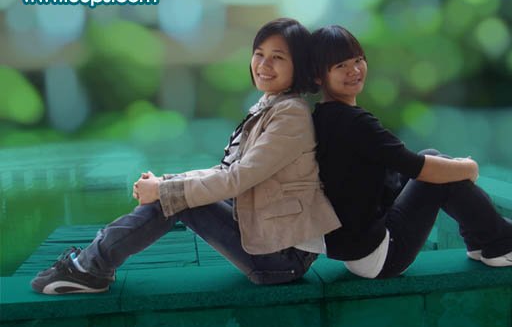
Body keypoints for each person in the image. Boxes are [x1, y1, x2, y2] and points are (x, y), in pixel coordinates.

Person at [31, 18, 340, 294]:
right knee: (174, 195)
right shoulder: (272, 106)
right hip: (269, 241)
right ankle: (91, 264)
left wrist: (165, 190)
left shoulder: (290, 115)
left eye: (278, 58)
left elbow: (236, 179)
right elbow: (225, 170)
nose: (263, 64)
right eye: (259, 54)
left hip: (283, 258)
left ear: (298, 66)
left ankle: (89, 267)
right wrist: (166, 182)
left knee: (175, 201)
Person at [310, 25, 512, 279]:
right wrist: (469, 168)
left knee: (433, 156)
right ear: (317, 76)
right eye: (341, 66)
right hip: (381, 255)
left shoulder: (323, 116)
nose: (354, 70)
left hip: (356, 250)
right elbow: (418, 168)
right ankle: (505, 244)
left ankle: (483, 242)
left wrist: (450, 167)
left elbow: (401, 165)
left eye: (358, 60)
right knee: (437, 174)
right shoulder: (356, 123)